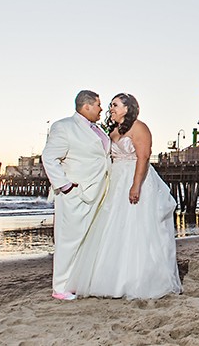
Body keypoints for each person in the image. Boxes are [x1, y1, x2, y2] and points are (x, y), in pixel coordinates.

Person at [68, 93, 182, 299]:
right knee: (114, 227)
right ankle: (110, 278)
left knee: (137, 227)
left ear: (127, 108)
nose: (110, 108)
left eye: (115, 105)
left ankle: (139, 278)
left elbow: (144, 157)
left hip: (134, 179)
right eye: (110, 105)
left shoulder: (139, 127)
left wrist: (136, 185)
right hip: (116, 182)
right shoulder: (113, 131)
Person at [41, 90, 111, 301]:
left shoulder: (97, 129)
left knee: (88, 239)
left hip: (98, 191)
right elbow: (49, 157)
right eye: (98, 105)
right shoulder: (64, 127)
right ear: (86, 106)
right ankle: (60, 288)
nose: (101, 109)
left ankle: (78, 282)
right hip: (76, 193)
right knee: (69, 240)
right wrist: (65, 186)